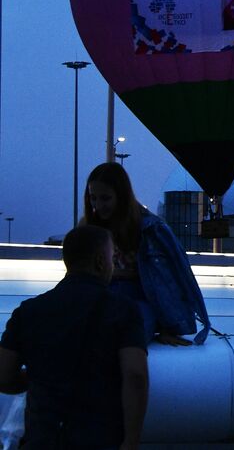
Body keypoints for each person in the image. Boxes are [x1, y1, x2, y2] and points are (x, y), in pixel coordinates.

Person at [0, 225, 148, 450]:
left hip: (42, 438)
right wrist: (131, 441)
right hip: (100, 438)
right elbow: (135, 375)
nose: (113, 265)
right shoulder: (123, 310)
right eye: (112, 257)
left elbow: (3, 375)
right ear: (100, 261)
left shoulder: (28, 311)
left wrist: (39, 377)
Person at [81, 161, 210, 345]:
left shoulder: (150, 229)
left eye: (105, 198)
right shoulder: (88, 227)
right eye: (93, 198)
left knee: (118, 338)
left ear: (122, 196)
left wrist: (169, 326)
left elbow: (168, 281)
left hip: (133, 305)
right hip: (102, 303)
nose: (98, 205)